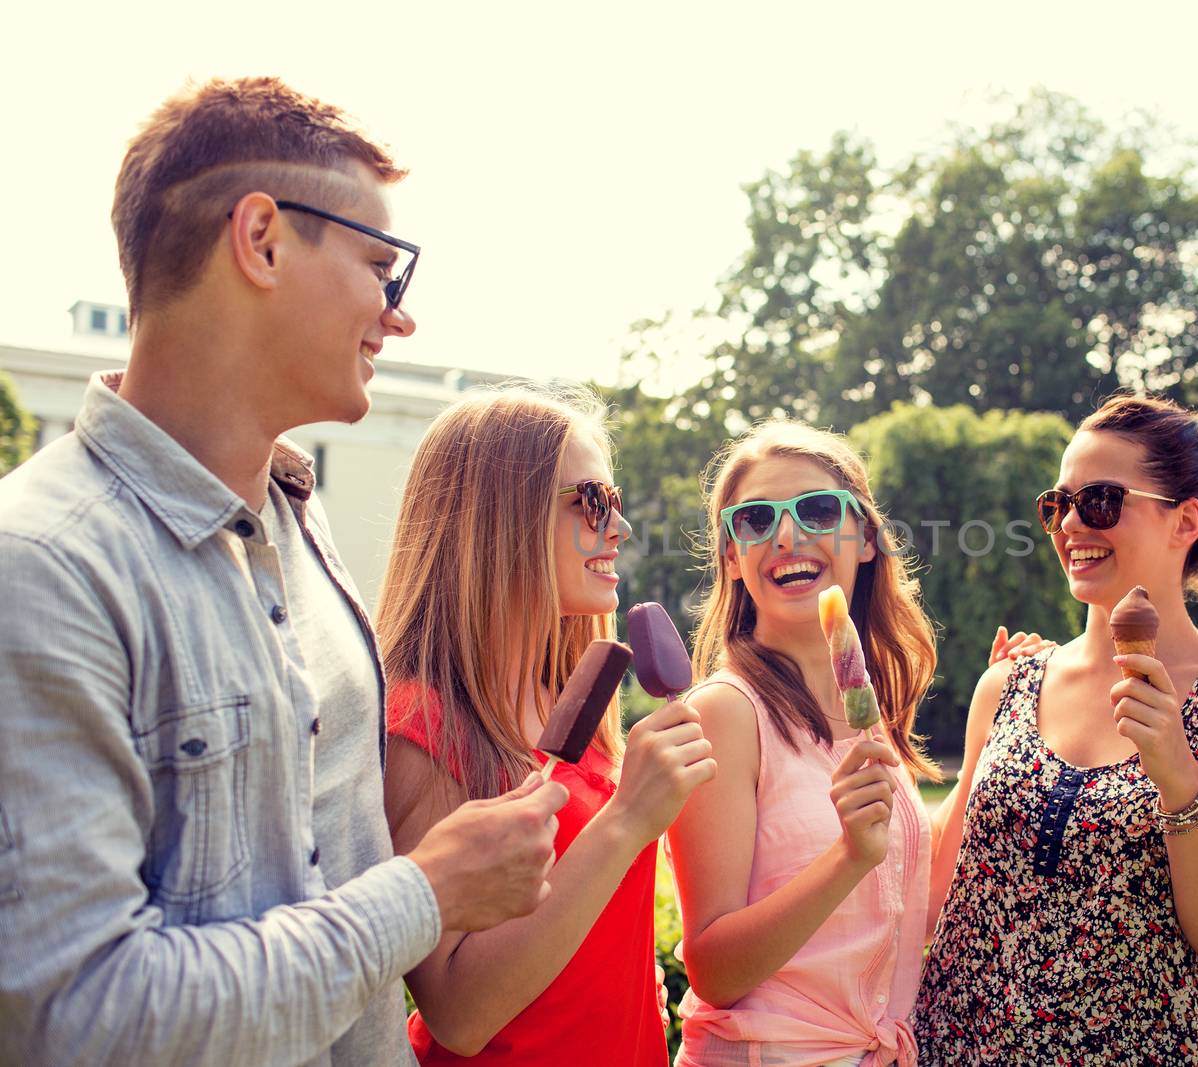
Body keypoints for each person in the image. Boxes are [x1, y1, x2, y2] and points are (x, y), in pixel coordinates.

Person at [0, 78, 567, 1065]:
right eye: (381, 268)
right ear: (260, 238)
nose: (399, 318)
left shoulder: (296, 513)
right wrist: (426, 894)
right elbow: (79, 1017)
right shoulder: (44, 568)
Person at [915, 394, 1198, 1065]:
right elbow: (935, 890)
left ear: (1184, 521)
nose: (1069, 524)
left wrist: (1179, 775)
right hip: (956, 1046)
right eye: (1055, 504)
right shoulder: (1005, 686)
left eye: (1098, 500)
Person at [379, 386, 716, 1064]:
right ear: (497, 518)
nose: (618, 529)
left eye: (615, 504)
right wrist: (624, 820)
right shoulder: (420, 721)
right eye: (592, 502)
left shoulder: (570, 697)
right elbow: (459, 1011)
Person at [667, 419, 948, 1067]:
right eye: (755, 519)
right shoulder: (724, 713)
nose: (786, 534)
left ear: (867, 538)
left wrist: (992, 740)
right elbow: (714, 968)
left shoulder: (867, 705)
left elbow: (911, 900)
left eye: (818, 509)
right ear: (732, 557)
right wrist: (848, 854)